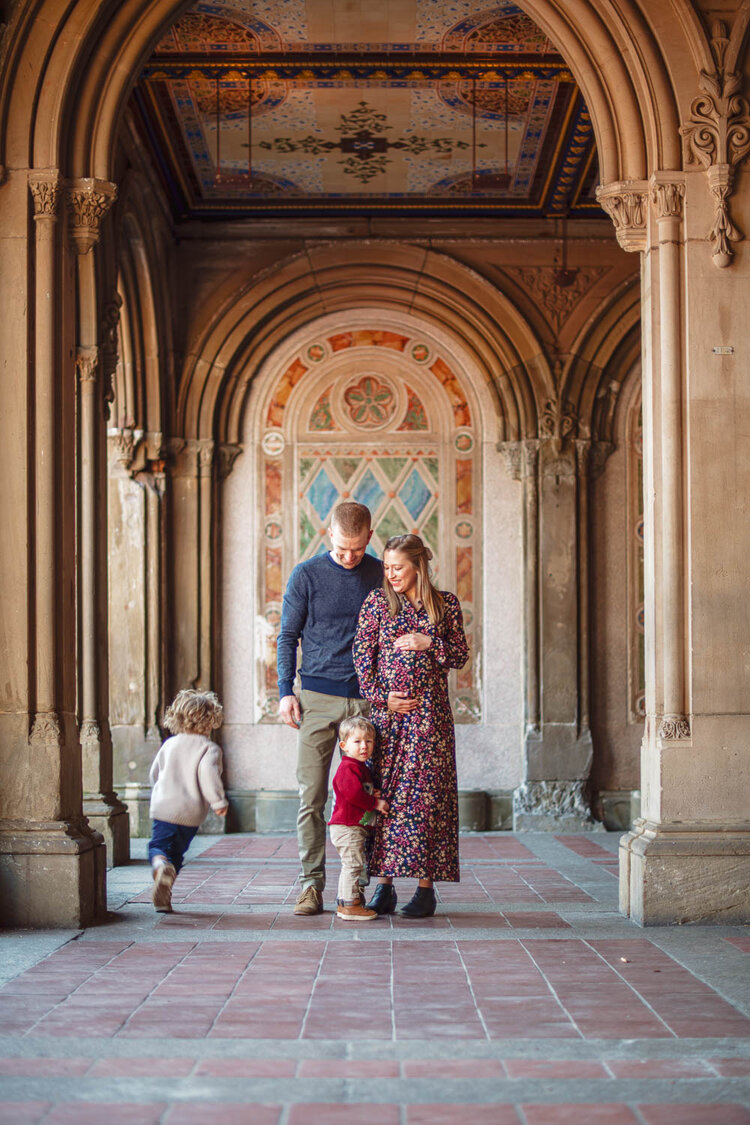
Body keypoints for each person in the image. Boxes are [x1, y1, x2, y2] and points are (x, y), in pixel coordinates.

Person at [353, 534, 469, 918]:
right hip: (388, 720)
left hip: (430, 720)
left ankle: (425, 888)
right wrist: (380, 698)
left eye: (397, 567)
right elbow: (361, 656)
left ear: (418, 566)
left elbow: (459, 655)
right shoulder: (377, 604)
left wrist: (428, 642)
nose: (391, 574)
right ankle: (383, 886)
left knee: (425, 800)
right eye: (386, 567)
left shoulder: (446, 605)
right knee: (385, 797)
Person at [277, 501, 383, 916]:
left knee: (369, 794)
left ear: (369, 538)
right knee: (312, 795)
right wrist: (286, 691)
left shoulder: (379, 573)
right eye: (341, 549)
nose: (349, 557)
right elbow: (287, 636)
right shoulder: (306, 574)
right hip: (317, 698)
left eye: (356, 549)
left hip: (367, 697)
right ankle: (311, 885)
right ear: (329, 536)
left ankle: (360, 886)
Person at [148, 688, 228, 913]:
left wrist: (159, 790)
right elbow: (208, 774)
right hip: (191, 813)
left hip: (164, 807)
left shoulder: (169, 744)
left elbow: (155, 773)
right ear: (211, 719)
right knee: (177, 853)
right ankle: (165, 892)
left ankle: (159, 865)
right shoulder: (209, 748)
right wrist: (218, 802)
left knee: (157, 846)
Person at [329, 716, 390, 921]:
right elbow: (353, 794)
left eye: (369, 741)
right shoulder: (348, 768)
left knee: (352, 864)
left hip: (353, 827)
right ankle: (349, 905)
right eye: (357, 742)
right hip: (347, 827)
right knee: (352, 865)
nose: (364, 746)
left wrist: (372, 794)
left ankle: (344, 902)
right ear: (344, 745)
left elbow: (359, 791)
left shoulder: (359, 767)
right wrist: (375, 804)